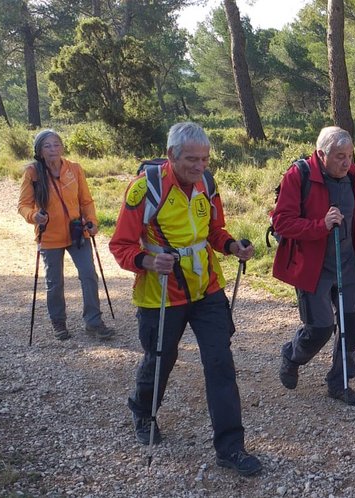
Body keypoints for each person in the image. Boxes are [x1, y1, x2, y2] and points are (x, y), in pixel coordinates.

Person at [109, 122, 261, 476]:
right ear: (171, 156)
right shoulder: (144, 189)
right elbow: (121, 245)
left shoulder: (207, 184)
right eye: (192, 159)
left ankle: (231, 448)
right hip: (161, 292)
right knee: (161, 357)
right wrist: (149, 261)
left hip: (206, 287)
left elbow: (213, 231)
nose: (199, 166)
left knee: (220, 363)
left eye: (205, 159)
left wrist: (233, 246)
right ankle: (144, 411)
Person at [272, 126, 355, 406]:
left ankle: (339, 383)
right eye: (340, 156)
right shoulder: (299, 175)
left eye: (350, 156)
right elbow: (282, 221)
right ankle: (292, 355)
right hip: (312, 266)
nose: (347, 162)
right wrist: (321, 225)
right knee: (319, 328)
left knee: (350, 327)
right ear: (321, 154)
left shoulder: (351, 176)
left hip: (348, 265)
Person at [17, 129, 115, 341]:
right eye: (47, 146)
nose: (53, 149)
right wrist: (34, 216)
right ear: (39, 151)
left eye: (56, 144)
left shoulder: (74, 169)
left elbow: (86, 201)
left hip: (77, 231)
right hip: (49, 235)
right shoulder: (33, 173)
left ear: (62, 147)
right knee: (55, 281)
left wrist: (93, 222)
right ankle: (58, 322)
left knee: (89, 274)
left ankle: (94, 321)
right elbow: (23, 205)